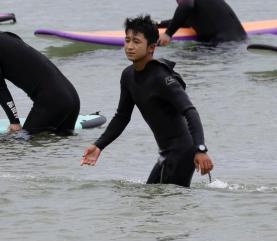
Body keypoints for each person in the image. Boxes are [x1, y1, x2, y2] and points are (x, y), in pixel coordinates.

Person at [81, 15, 214, 187]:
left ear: (151, 47)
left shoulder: (162, 77)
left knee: (165, 201)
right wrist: (99, 145)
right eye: (127, 40)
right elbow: (122, 117)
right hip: (166, 153)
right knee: (150, 196)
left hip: (183, 152)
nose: (130, 46)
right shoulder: (128, 75)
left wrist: (200, 149)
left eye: (136, 42)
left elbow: (190, 111)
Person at [0, 7, 81, 135]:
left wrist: (14, 122)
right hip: (72, 98)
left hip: (52, 101)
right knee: (60, 144)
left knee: (22, 141)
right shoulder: (9, 37)